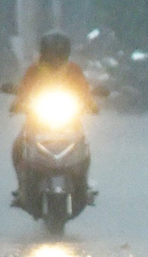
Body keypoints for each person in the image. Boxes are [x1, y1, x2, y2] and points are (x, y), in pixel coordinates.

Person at [10, 31, 94, 203]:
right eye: (51, 52)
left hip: (69, 121)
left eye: (59, 52)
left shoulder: (73, 70)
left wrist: (90, 103)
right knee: (18, 147)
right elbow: (23, 90)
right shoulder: (34, 70)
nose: (55, 57)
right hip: (37, 121)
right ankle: (22, 185)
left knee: (84, 149)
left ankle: (83, 185)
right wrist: (18, 102)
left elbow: (84, 90)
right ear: (43, 52)